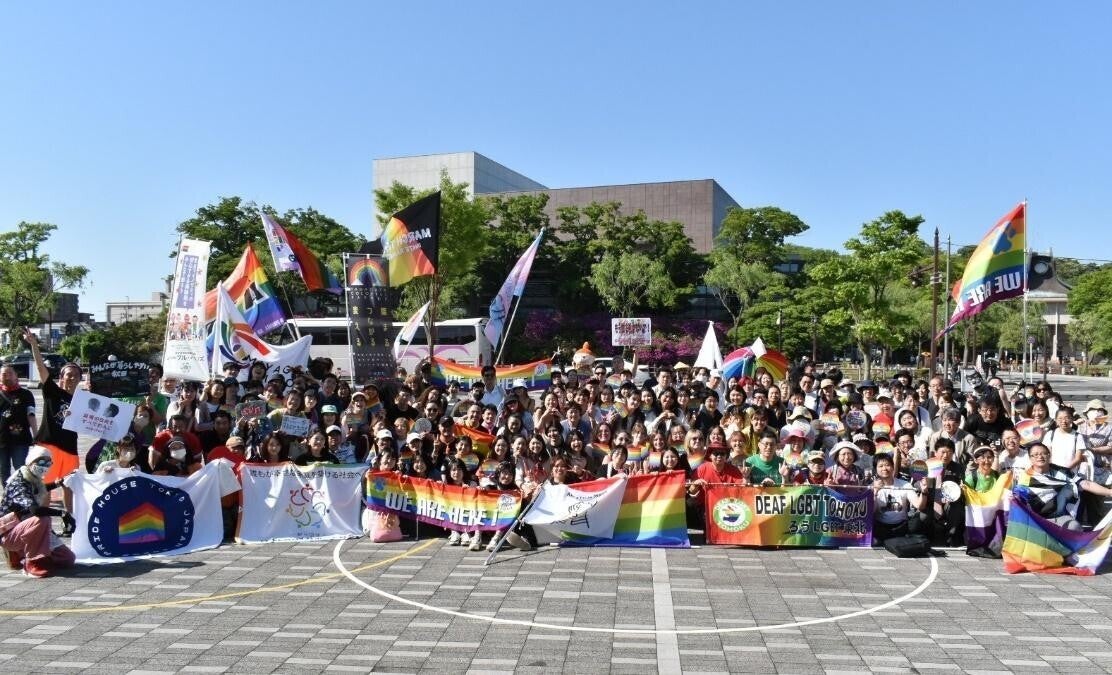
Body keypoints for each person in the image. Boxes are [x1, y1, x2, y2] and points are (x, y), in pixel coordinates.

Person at [23, 328, 79, 535]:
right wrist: (34, 345)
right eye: (68, 375)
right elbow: (41, 368)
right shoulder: (52, 391)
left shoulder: (83, 401)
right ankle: (43, 525)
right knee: (45, 486)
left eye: (75, 376)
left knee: (68, 486)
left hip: (70, 448)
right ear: (61, 377)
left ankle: (69, 522)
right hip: (48, 446)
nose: (71, 378)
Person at [1, 447, 76, 577]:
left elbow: (38, 489)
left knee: (67, 559)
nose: (44, 466)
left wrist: (57, 483)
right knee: (42, 519)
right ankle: (32, 562)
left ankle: (25, 554)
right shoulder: (18, 482)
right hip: (9, 532)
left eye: (48, 463)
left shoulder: (32, 477)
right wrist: (62, 513)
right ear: (30, 462)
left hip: (27, 526)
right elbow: (35, 510)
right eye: (41, 462)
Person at [1020, 442, 1112, 531]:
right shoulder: (1025, 478)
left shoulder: (1061, 472)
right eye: (1035, 455)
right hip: (1034, 519)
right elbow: (1019, 499)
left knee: (1074, 527)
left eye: (1043, 453)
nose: (1040, 457)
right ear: (1030, 458)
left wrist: (1109, 492)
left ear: (1049, 455)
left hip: (1058, 516)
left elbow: (1085, 484)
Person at [871, 453, 928, 544]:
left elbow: (919, 506)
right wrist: (875, 492)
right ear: (875, 469)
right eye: (880, 466)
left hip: (901, 526)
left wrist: (924, 491)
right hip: (881, 526)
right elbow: (871, 512)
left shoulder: (905, 484)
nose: (884, 468)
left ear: (893, 467)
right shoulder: (871, 486)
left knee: (919, 520)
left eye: (887, 465)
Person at [0, 363, 37, 486]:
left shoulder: (26, 394)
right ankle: (7, 494)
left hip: (20, 439)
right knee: (3, 470)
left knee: (20, 469)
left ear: (16, 376)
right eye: (4, 374)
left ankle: (22, 493)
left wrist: (36, 434)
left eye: (10, 373)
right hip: (1, 440)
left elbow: (31, 414)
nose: (7, 377)